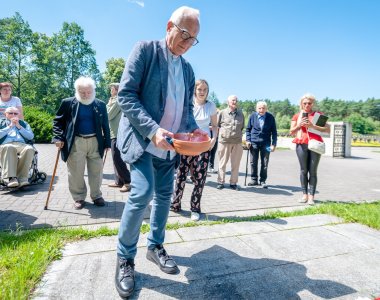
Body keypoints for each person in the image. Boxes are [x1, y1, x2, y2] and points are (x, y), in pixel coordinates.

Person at [114, 6, 204, 298]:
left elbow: (186, 111)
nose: (187, 43)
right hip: (144, 141)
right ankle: (125, 258)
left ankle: (155, 246)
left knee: (165, 195)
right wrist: (153, 130)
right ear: (170, 26)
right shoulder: (145, 51)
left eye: (193, 40)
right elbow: (126, 95)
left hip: (172, 146)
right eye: (185, 34)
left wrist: (194, 130)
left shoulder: (188, 69)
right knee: (143, 192)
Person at [52, 76, 111, 210]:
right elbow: (57, 121)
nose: (86, 95)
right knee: (76, 171)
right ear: (77, 90)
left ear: (93, 90)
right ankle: (78, 197)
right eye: (82, 92)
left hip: (96, 141)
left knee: (96, 170)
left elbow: (105, 125)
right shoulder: (68, 103)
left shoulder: (100, 104)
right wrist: (58, 138)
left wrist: (107, 142)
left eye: (89, 92)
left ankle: (96, 195)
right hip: (76, 141)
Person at [170, 79, 217, 221]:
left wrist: (214, 139)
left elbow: (214, 125)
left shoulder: (211, 106)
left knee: (199, 178)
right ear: (195, 91)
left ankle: (195, 208)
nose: (202, 92)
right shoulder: (188, 105)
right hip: (187, 145)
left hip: (203, 147)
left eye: (205, 90)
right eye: (199, 89)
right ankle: (175, 204)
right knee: (181, 176)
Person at [290, 93, 330, 205]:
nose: (307, 105)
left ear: (312, 104)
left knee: (313, 171)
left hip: (315, 144)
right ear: (301, 104)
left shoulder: (318, 115)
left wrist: (312, 126)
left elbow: (327, 129)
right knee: (303, 170)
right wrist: (299, 125)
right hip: (301, 143)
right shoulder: (297, 116)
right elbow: (291, 131)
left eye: (309, 103)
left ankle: (311, 197)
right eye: (305, 103)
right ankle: (304, 195)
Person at [246, 101, 277, 188]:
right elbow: (248, 129)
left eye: (263, 108)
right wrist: (248, 140)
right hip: (254, 142)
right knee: (253, 162)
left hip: (266, 143)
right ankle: (254, 179)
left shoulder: (270, 117)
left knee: (265, 163)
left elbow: (274, 132)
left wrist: (274, 144)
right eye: (259, 108)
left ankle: (263, 180)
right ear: (257, 109)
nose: (261, 110)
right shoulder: (252, 116)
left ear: (266, 109)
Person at [0, 107, 34, 187]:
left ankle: (22, 178)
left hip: (21, 144)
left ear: (18, 115)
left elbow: (30, 137)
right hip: (5, 145)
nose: (13, 115)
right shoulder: (1, 123)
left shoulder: (24, 123)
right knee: (9, 147)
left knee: (29, 149)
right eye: (10, 113)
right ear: (5, 114)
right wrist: (10, 127)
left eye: (15, 113)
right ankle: (12, 178)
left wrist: (19, 127)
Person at [106, 83, 131, 193]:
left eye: (112, 88)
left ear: (117, 90)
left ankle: (127, 182)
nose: (111, 90)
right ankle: (119, 181)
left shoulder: (118, 99)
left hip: (118, 133)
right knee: (115, 158)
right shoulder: (112, 99)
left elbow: (108, 115)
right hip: (113, 133)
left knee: (118, 158)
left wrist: (108, 105)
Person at [216, 95, 245, 190]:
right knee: (222, 163)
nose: (235, 102)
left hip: (237, 142)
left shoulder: (241, 114)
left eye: (236, 100)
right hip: (224, 141)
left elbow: (241, 127)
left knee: (235, 164)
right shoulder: (222, 112)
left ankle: (233, 183)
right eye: (233, 100)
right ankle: (220, 182)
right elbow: (217, 125)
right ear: (228, 102)